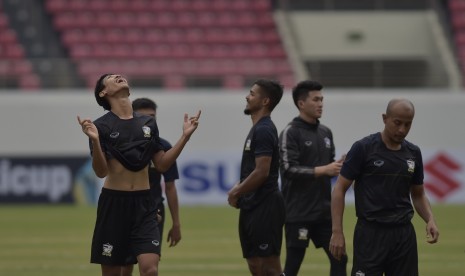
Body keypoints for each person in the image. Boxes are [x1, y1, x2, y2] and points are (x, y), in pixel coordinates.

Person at [77, 73, 200, 276]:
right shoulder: (100, 126)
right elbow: (101, 172)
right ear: (103, 92)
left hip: (145, 204)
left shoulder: (148, 123)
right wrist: (96, 141)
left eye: (120, 75)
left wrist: (184, 137)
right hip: (114, 205)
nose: (119, 76)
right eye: (111, 77)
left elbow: (161, 164)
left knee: (150, 269)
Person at [329, 98, 439, 276]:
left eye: (407, 124)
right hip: (370, 234)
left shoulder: (413, 153)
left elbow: (418, 194)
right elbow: (339, 189)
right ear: (384, 118)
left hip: (403, 236)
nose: (402, 129)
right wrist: (337, 232)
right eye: (397, 123)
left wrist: (430, 219)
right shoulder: (363, 148)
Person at [278, 80, 347, 276]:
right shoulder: (290, 132)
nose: (320, 104)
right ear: (301, 103)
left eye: (322, 99)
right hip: (298, 212)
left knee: (340, 257)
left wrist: (340, 165)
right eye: (316, 99)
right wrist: (323, 170)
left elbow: (329, 167)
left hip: (324, 213)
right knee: (293, 265)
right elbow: (288, 169)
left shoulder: (326, 132)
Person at [227, 79, 286, 276]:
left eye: (252, 94)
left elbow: (262, 172)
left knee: (270, 266)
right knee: (255, 264)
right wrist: (241, 188)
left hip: (265, 205)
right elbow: (254, 169)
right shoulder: (258, 128)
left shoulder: (264, 129)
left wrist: (236, 191)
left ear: (265, 101)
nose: (247, 96)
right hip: (252, 204)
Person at [120, 98, 182, 276]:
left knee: (150, 267)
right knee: (125, 266)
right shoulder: (123, 145)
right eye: (144, 116)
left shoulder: (163, 147)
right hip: (126, 211)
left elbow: (170, 187)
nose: (149, 121)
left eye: (153, 117)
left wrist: (176, 223)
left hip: (153, 214)